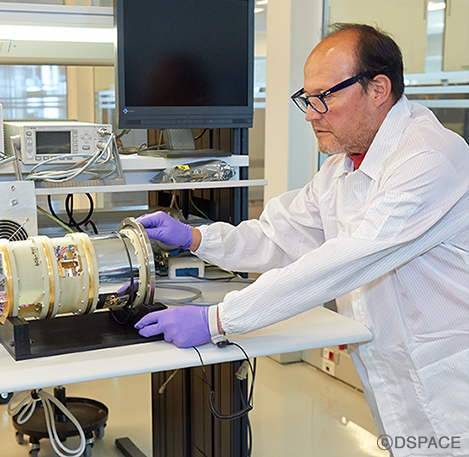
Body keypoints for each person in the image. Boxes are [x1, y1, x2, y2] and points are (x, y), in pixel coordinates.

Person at [134, 23, 469, 456]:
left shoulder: (428, 157)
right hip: (394, 374)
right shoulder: (341, 168)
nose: (311, 114)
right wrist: (196, 237)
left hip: (449, 378)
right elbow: (278, 237)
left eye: (323, 97)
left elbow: (345, 260)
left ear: (378, 89)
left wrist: (217, 320)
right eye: (306, 98)